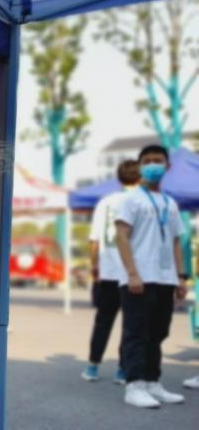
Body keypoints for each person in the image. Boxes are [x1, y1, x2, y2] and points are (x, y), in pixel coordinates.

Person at [114, 145, 190, 408]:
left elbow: (176, 242)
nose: (152, 165)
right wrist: (132, 273)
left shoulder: (170, 203)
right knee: (137, 332)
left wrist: (181, 277)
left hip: (165, 278)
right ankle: (134, 385)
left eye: (158, 160)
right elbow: (121, 236)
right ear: (139, 166)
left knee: (158, 333)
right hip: (139, 278)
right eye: (147, 161)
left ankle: (152, 382)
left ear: (168, 166)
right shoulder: (131, 199)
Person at [82, 159, 139, 383]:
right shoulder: (141, 200)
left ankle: (92, 367)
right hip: (134, 272)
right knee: (130, 324)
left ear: (119, 177)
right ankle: (123, 370)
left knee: (103, 321)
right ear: (140, 177)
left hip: (108, 270)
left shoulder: (105, 202)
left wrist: (94, 265)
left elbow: (94, 239)